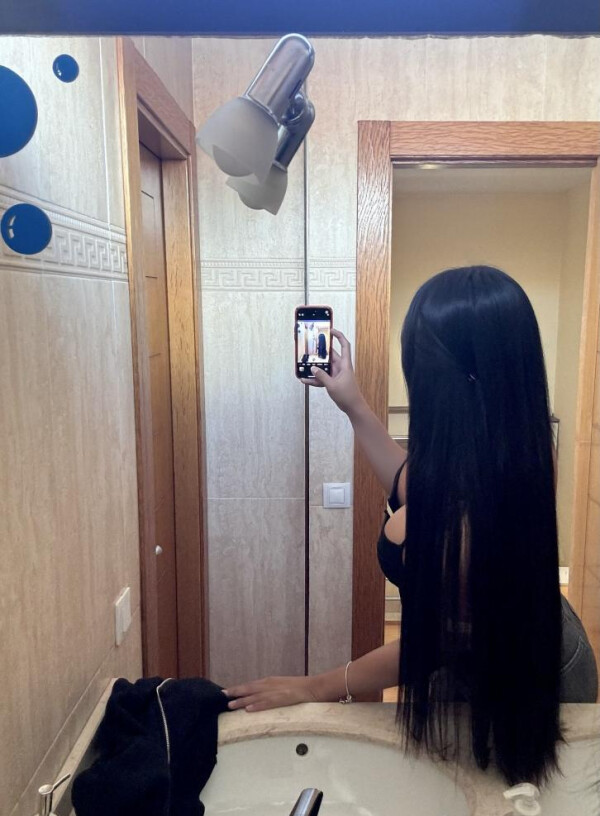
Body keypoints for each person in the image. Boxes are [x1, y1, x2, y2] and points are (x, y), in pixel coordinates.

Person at [225, 266, 598, 785]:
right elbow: (412, 484)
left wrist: (316, 686)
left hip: (522, 679)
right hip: (516, 648)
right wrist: (352, 403)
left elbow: (432, 645)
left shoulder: (476, 520)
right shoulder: (508, 448)